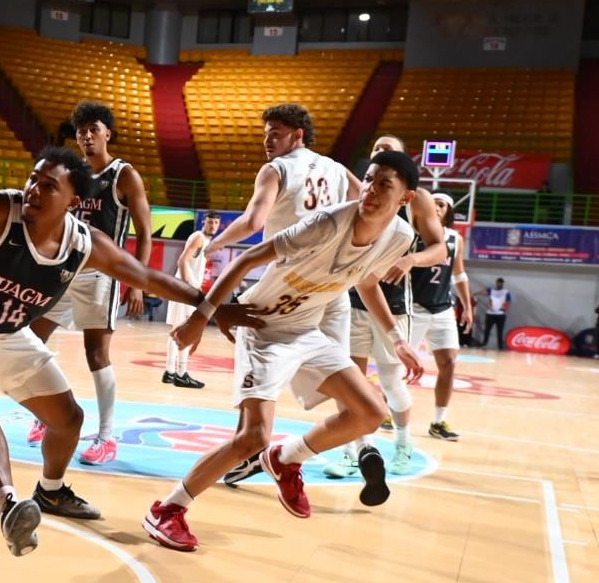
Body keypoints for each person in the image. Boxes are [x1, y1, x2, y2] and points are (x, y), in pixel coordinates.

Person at [0, 149, 260, 555]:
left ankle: (50, 491)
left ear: (72, 202)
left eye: (48, 186)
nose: (33, 189)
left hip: (7, 334)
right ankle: (7, 505)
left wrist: (209, 305)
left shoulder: (85, 243)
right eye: (33, 179)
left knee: (69, 419)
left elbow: (143, 275)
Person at [149, 152, 426, 551]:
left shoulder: (399, 236)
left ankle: (286, 458)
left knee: (369, 412)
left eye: (385, 184)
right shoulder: (328, 222)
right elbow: (247, 258)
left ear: (405, 197)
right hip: (263, 328)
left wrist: (397, 339)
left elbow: (367, 281)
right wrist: (200, 316)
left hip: (306, 330)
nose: (371, 189)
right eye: (368, 179)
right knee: (251, 437)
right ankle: (168, 509)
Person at [214, 128, 447, 486]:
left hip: (372, 299)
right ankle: (353, 448)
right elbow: (358, 262)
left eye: (388, 155)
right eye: (374, 157)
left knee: (378, 384)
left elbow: (438, 251)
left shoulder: (410, 217)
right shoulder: (347, 191)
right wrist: (207, 311)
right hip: (322, 289)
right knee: (340, 376)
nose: (374, 177)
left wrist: (410, 264)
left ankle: (382, 444)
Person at [26, 101, 154, 465]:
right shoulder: (72, 173)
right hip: (64, 269)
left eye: (93, 128)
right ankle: (46, 415)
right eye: (80, 130)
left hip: (101, 273)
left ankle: (107, 437)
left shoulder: (124, 175)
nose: (86, 135)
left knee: (96, 354)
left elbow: (144, 233)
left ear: (107, 133)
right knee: (32, 341)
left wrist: (138, 281)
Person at [408, 193, 471, 441]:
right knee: (402, 365)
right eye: (432, 202)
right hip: (415, 307)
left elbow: (459, 275)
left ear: (448, 212)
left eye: (441, 204)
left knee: (449, 363)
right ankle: (388, 411)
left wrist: (467, 305)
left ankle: (438, 421)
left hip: (443, 308)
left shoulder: (456, 238)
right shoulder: (413, 233)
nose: (435, 206)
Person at [164, 211, 220, 388]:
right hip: (184, 289)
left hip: (182, 289)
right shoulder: (198, 237)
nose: (213, 226)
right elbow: (182, 261)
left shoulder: (206, 241)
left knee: (177, 330)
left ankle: (169, 372)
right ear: (204, 222)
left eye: (216, 223)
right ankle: (181, 374)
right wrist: (191, 285)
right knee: (186, 330)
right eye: (210, 222)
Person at [478, 278, 512, 350]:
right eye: (498, 283)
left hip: (500, 314)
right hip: (490, 313)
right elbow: (482, 292)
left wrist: (505, 310)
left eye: (500, 283)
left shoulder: (506, 292)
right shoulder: (491, 290)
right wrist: (480, 291)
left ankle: (500, 347)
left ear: (502, 284)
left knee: (500, 331)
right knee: (487, 329)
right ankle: (484, 344)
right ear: (496, 283)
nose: (499, 284)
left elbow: (508, 302)